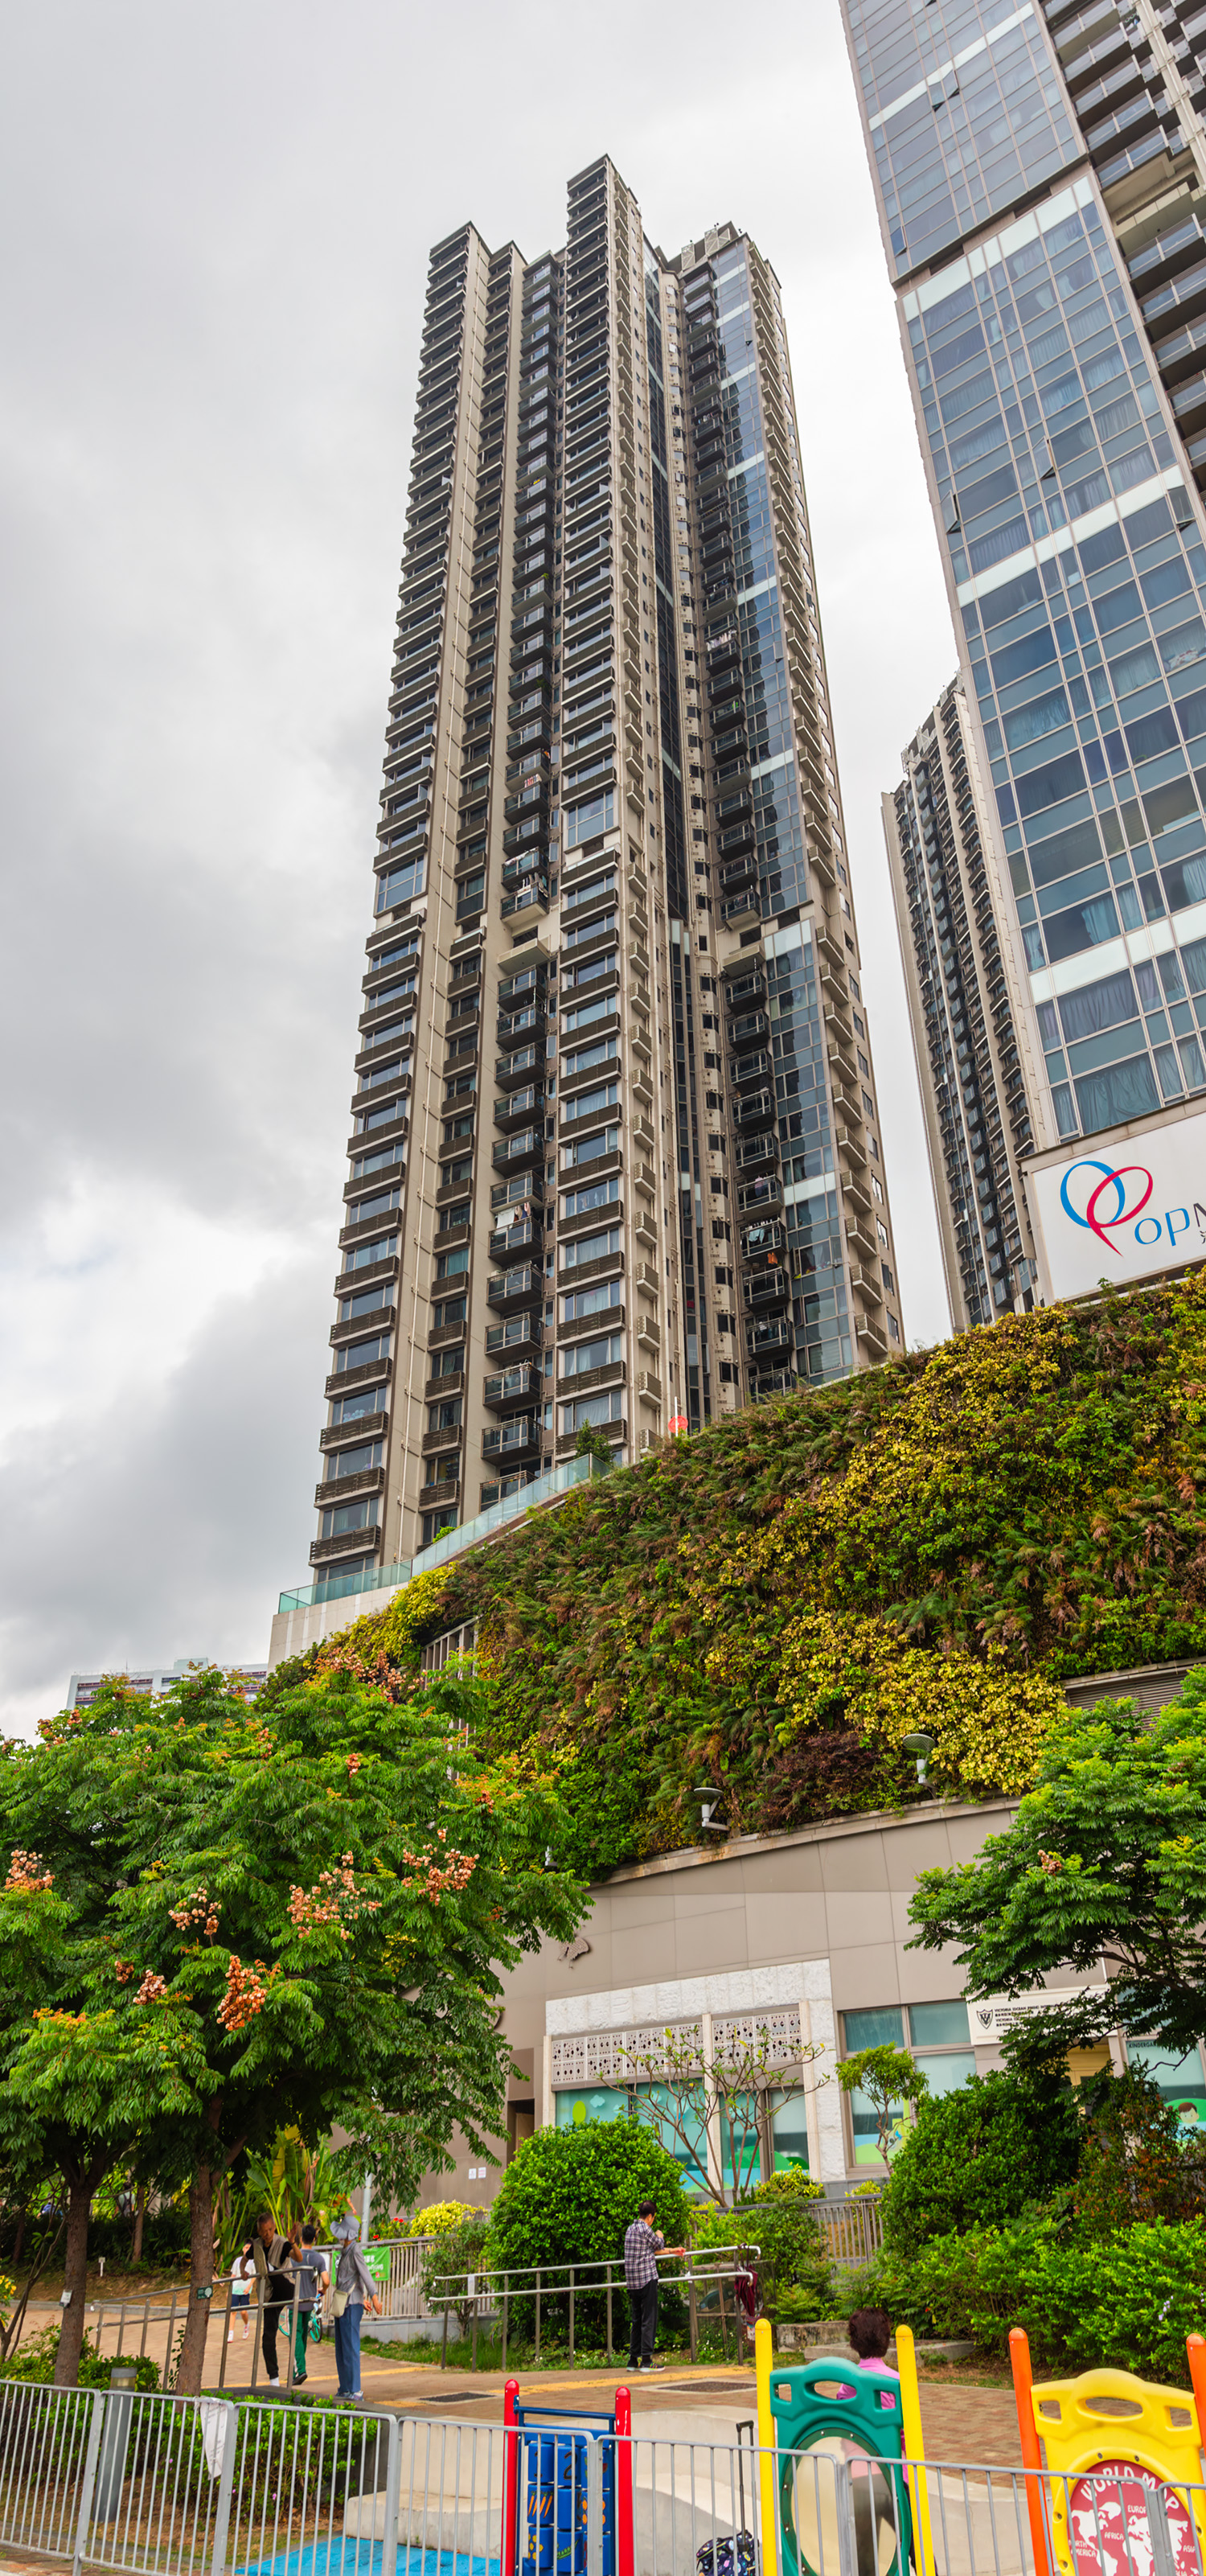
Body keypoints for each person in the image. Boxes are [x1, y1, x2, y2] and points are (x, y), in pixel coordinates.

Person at [623, 2199, 683, 2372]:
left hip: (633, 2282)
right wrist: (660, 2235)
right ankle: (647, 2361)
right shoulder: (646, 2229)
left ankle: (633, 2361)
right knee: (649, 2319)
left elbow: (650, 2250)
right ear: (650, 2216)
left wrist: (673, 2251)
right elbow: (658, 2244)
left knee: (637, 2320)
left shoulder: (631, 2229)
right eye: (653, 2218)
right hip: (646, 2279)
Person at [330, 2213, 383, 2401]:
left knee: (350, 2347)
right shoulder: (346, 2251)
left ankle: (355, 2388)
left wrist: (374, 2296)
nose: (340, 2237)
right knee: (341, 2348)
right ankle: (345, 2387)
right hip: (344, 2304)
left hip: (351, 2306)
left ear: (349, 2235)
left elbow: (365, 2275)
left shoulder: (355, 2251)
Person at [252, 2212, 295, 2388]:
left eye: (270, 2230)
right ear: (260, 2232)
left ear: (274, 2228)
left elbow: (298, 2257)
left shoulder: (282, 2243)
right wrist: (244, 2271)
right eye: (264, 2231)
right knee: (267, 2337)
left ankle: (269, 2268)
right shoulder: (257, 2245)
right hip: (270, 2295)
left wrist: (292, 2242)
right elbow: (244, 2260)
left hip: (285, 2287)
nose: (267, 2234)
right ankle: (274, 2379)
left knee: (276, 2274)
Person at [289, 2223, 329, 2385]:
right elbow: (326, 2280)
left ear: (300, 2238)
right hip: (309, 2303)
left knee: (295, 2337)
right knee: (302, 2336)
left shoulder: (292, 2256)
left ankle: (300, 2370)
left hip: (295, 2302)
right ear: (314, 2238)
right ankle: (297, 2371)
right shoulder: (318, 2258)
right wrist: (323, 2290)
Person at [228, 2240, 254, 2344]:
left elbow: (254, 2277)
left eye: (249, 2248)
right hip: (235, 2289)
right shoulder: (237, 2260)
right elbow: (233, 2275)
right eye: (246, 2248)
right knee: (233, 2311)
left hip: (245, 2290)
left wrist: (249, 2287)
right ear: (243, 2249)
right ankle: (230, 2334)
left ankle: (246, 2325)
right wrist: (229, 2289)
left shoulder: (253, 2262)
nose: (247, 2250)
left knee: (243, 2312)